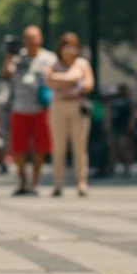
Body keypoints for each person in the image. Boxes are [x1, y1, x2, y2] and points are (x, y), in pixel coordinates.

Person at [1, 25, 58, 196]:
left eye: (34, 37)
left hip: (41, 108)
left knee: (40, 147)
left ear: (40, 38)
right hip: (19, 108)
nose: (31, 41)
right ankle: (22, 181)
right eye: (27, 38)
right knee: (18, 148)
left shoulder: (49, 58)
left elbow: (55, 78)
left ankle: (34, 183)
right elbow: (5, 74)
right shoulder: (17, 58)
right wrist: (9, 56)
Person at [47, 32, 94, 197]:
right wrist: (72, 79)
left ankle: (81, 182)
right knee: (58, 147)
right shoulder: (53, 63)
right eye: (66, 46)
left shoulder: (82, 64)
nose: (70, 50)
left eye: (73, 46)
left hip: (78, 106)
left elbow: (88, 84)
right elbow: (49, 80)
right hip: (59, 105)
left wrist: (62, 80)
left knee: (79, 147)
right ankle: (58, 183)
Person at [107, 85, 134, 176]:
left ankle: (127, 167)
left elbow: (131, 113)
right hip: (115, 127)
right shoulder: (114, 100)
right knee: (113, 148)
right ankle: (112, 167)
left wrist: (131, 123)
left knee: (124, 147)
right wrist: (108, 123)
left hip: (124, 127)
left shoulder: (128, 101)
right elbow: (110, 112)